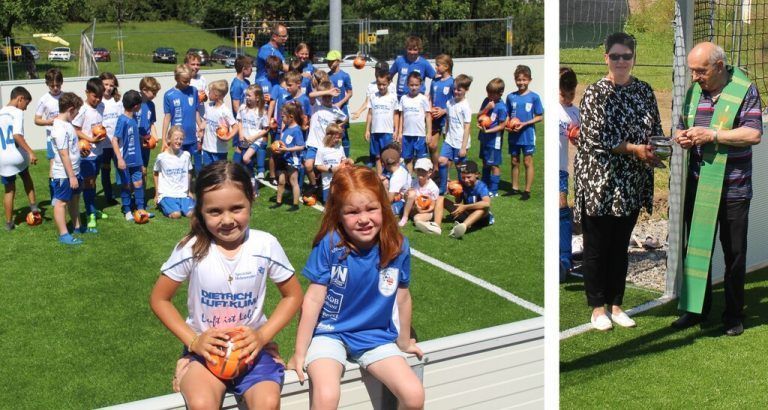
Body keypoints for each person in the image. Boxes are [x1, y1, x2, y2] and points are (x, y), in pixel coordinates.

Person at [149, 161, 303, 409]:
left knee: (268, 403)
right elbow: (159, 299)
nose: (227, 219)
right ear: (200, 210)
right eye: (215, 211)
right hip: (205, 354)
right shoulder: (191, 248)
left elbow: (293, 295)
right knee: (201, 403)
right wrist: (193, 341)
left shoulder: (265, 245)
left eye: (236, 208)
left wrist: (262, 336)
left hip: (252, 353)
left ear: (251, 200)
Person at [286, 165, 424, 410]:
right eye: (352, 212)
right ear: (338, 214)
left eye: (371, 209)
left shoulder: (397, 245)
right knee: (327, 397)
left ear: (384, 207)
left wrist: (403, 342)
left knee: (414, 396)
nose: (363, 219)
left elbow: (402, 297)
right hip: (330, 333)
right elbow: (313, 300)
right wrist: (299, 352)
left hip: (375, 335)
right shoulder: (330, 244)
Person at [671, 42, 763, 336]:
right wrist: (682, 136)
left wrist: (713, 134)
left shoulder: (744, 90)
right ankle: (695, 310)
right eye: (692, 71)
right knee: (697, 249)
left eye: (701, 71)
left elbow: (753, 133)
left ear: (719, 66)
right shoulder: (694, 92)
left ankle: (733, 315)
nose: (695, 77)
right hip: (699, 184)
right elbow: (680, 125)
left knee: (734, 253)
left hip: (734, 188)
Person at [573, 32, 662, 331]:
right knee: (597, 247)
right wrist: (635, 149)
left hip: (630, 183)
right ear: (606, 58)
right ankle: (597, 307)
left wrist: (657, 150)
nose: (621, 61)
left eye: (626, 56)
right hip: (599, 181)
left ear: (634, 58)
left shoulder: (644, 91)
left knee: (620, 246)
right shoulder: (595, 93)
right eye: (615, 56)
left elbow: (655, 130)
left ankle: (616, 304)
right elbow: (598, 138)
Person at [0, 86, 39, 231]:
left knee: (9, 190)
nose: (25, 108)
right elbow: (17, 135)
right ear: (20, 99)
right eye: (26, 104)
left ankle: (9, 223)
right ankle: (34, 209)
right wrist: (30, 152)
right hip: (16, 155)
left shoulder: (0, 112)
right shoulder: (17, 112)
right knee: (26, 177)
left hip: (3, 158)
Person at [505, 65, 543, 200]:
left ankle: (527, 191)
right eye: (519, 80)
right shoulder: (510, 97)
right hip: (514, 135)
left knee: (527, 161)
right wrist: (507, 126)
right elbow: (507, 115)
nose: (521, 82)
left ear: (530, 80)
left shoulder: (534, 97)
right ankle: (514, 188)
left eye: (524, 80)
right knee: (514, 161)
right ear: (515, 80)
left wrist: (524, 124)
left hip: (527, 134)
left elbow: (539, 116)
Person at [72, 77, 105, 233]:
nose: (97, 100)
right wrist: (90, 139)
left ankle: (93, 207)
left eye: (100, 96)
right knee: (88, 183)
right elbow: (75, 129)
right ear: (87, 93)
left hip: (98, 151)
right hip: (87, 153)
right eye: (94, 96)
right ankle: (90, 212)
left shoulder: (101, 106)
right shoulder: (83, 110)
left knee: (93, 181)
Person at [50, 92, 84, 244]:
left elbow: (71, 148)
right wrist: (71, 176)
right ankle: (64, 234)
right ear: (71, 109)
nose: (77, 114)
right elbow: (64, 154)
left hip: (75, 170)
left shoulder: (67, 124)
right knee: (61, 202)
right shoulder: (59, 128)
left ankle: (77, 226)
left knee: (75, 199)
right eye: (77, 111)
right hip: (64, 174)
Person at [305, 80, 348, 197]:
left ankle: (323, 186)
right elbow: (311, 95)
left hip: (326, 145)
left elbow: (345, 118)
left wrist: (338, 126)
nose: (327, 98)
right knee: (308, 165)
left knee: (324, 168)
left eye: (329, 96)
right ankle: (314, 185)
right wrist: (328, 91)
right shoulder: (316, 106)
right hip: (313, 143)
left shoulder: (335, 110)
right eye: (325, 96)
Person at [114, 90, 150, 222]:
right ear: (136, 106)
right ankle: (127, 210)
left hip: (136, 158)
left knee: (138, 182)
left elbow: (132, 134)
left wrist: (142, 138)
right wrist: (119, 159)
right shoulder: (122, 120)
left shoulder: (133, 118)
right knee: (127, 185)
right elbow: (115, 140)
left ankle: (140, 208)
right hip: (125, 160)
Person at [162, 65, 204, 175]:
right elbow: (167, 117)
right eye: (185, 81)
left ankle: (197, 185)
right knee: (179, 166)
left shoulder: (193, 91)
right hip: (178, 138)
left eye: (189, 80)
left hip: (192, 137)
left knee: (197, 167)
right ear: (176, 78)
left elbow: (195, 111)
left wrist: (200, 127)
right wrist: (164, 139)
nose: (188, 83)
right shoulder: (169, 95)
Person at [558, 67, 580, 283]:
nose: (566, 98)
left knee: (562, 207)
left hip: (561, 168)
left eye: (570, 94)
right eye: (562, 94)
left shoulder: (575, 113)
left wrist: (577, 136)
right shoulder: (552, 106)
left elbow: (581, 140)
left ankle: (565, 259)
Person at [437, 74, 473, 195]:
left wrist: (463, 147)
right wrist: (445, 134)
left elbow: (467, 127)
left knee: (460, 167)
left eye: (459, 90)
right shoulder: (449, 103)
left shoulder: (465, 107)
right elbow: (448, 120)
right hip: (449, 140)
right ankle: (443, 188)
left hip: (460, 142)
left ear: (466, 90)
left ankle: (463, 189)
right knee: (442, 161)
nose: (456, 92)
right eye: (455, 89)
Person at [270, 104, 305, 211]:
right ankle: (278, 202)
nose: (282, 119)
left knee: (293, 181)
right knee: (281, 181)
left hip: (292, 159)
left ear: (291, 117)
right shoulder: (285, 128)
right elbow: (284, 142)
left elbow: (301, 146)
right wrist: (278, 144)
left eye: (283, 117)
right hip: (282, 157)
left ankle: (295, 204)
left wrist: (287, 149)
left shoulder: (297, 130)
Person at [34, 68, 63, 199]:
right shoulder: (44, 99)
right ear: (47, 84)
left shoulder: (65, 97)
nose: (55, 88)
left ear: (62, 83)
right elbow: (37, 120)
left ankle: (66, 192)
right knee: (53, 164)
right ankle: (54, 196)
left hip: (66, 136)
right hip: (52, 137)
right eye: (52, 86)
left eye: (58, 85)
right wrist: (49, 121)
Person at [153, 126, 194, 219]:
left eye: (181, 139)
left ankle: (182, 204)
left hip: (182, 193)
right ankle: (163, 203)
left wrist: (189, 191)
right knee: (176, 214)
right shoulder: (161, 157)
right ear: (169, 139)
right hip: (167, 193)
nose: (179, 141)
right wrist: (157, 194)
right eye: (176, 139)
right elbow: (155, 173)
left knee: (191, 214)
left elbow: (189, 172)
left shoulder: (186, 155)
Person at [477, 78, 508, 197]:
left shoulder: (501, 107)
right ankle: (484, 185)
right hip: (484, 138)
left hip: (494, 140)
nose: (489, 95)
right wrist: (487, 108)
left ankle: (494, 190)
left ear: (500, 93)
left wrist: (488, 131)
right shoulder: (487, 101)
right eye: (488, 92)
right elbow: (479, 116)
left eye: (492, 93)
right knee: (485, 161)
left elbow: (502, 126)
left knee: (494, 164)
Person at [446, 161, 493, 239]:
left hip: (481, 219)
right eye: (463, 177)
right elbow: (458, 202)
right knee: (443, 200)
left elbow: (487, 203)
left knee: (483, 209)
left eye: (469, 177)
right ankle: (433, 222)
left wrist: (465, 207)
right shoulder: (463, 184)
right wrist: (457, 193)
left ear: (477, 174)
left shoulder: (481, 186)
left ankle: (463, 226)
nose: (466, 180)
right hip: (467, 214)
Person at [365, 71, 400, 175]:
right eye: (379, 84)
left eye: (384, 84)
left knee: (388, 156)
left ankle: (390, 176)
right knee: (377, 156)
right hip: (375, 131)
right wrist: (367, 130)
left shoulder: (393, 97)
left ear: (388, 83)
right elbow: (370, 113)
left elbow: (396, 114)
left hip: (387, 132)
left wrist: (396, 130)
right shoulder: (373, 96)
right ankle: (380, 177)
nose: (381, 87)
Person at [399, 72, 432, 173]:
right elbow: (402, 116)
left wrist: (429, 133)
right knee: (407, 159)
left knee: (421, 160)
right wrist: (400, 132)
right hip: (407, 134)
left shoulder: (423, 99)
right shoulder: (403, 98)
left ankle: (420, 179)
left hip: (419, 134)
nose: (414, 87)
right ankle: (409, 178)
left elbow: (428, 116)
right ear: (407, 84)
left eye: (416, 85)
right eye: (411, 85)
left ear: (420, 85)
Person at [99, 72, 123, 205]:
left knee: (121, 167)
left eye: (111, 85)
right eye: (106, 84)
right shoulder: (98, 102)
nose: (108, 88)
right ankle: (109, 196)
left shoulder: (118, 101)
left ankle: (125, 193)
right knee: (105, 169)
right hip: (103, 144)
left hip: (117, 142)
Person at [201, 80, 237, 166]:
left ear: (216, 95)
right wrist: (200, 129)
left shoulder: (225, 111)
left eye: (210, 92)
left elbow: (235, 127)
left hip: (219, 150)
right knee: (208, 171)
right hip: (206, 148)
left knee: (219, 171)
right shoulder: (209, 106)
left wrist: (228, 137)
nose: (208, 93)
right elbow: (205, 121)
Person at [314, 123, 353, 203]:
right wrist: (330, 170)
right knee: (328, 204)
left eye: (339, 138)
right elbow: (318, 166)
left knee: (341, 203)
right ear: (329, 136)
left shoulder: (340, 148)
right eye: (336, 138)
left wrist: (348, 161)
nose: (338, 140)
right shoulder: (321, 149)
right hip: (327, 184)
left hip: (339, 182)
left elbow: (343, 161)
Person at [428, 54, 454, 170]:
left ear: (446, 66)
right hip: (434, 119)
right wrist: (430, 110)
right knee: (432, 145)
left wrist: (444, 111)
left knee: (448, 146)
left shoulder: (452, 82)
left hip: (447, 119)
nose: (436, 67)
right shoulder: (435, 81)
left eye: (438, 65)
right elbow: (430, 97)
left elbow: (456, 102)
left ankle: (446, 174)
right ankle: (436, 169)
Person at [400, 158, 440, 234]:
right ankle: (405, 217)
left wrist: (422, 211)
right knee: (411, 193)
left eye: (423, 170)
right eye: (419, 170)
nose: (420, 173)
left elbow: (432, 207)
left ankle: (430, 226)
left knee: (417, 219)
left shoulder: (433, 188)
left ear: (429, 172)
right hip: (414, 208)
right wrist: (406, 195)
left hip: (427, 211)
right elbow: (405, 197)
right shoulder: (413, 182)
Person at [239, 85, 270, 184]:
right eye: (246, 95)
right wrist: (241, 134)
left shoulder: (261, 112)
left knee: (246, 158)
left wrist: (254, 137)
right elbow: (239, 121)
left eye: (249, 95)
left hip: (256, 140)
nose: (247, 97)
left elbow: (266, 129)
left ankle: (255, 172)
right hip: (245, 139)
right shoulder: (242, 108)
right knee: (243, 162)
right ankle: (251, 178)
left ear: (257, 98)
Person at [326, 50, 353, 157]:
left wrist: (340, 103)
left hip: (342, 110)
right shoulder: (327, 76)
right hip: (330, 110)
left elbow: (350, 93)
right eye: (328, 61)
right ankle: (332, 155)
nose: (329, 63)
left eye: (332, 61)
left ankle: (346, 157)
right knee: (330, 133)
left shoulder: (344, 75)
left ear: (338, 61)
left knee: (343, 133)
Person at [136, 76, 160, 190]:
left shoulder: (151, 105)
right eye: (153, 92)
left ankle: (142, 194)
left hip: (146, 142)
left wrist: (155, 137)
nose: (155, 95)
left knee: (144, 168)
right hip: (135, 141)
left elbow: (151, 123)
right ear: (144, 90)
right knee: (136, 169)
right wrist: (139, 137)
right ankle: (134, 193)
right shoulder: (135, 102)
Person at [230, 55, 253, 165]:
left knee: (247, 144)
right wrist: (242, 120)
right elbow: (236, 106)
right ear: (244, 69)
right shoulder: (236, 85)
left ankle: (243, 168)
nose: (252, 71)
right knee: (240, 145)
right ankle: (235, 167)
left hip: (248, 120)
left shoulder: (247, 83)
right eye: (250, 68)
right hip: (241, 122)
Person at [381, 146, 411, 218]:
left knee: (381, 211)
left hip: (402, 202)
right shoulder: (401, 167)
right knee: (384, 182)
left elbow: (389, 199)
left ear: (383, 164)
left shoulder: (396, 177)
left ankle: (399, 212)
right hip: (400, 196)